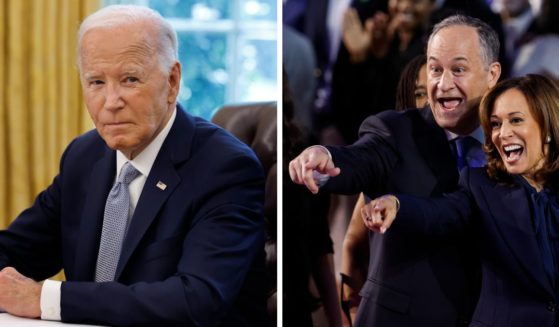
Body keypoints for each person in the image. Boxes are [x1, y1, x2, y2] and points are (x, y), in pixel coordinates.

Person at [0, 5, 267, 326]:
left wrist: (44, 298)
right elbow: (17, 250)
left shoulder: (226, 168)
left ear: (172, 81)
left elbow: (196, 298)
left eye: (130, 79)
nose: (111, 102)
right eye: (96, 82)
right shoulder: (83, 156)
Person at [289, 14, 501, 326]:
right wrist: (326, 157)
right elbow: (359, 160)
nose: (443, 85)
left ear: (492, 74)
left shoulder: (508, 142)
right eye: (435, 70)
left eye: (458, 70)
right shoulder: (394, 131)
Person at [364, 74, 559, 326]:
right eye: (496, 124)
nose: (503, 133)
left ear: (548, 128)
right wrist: (397, 206)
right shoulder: (481, 186)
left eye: (516, 120)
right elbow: (439, 213)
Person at [339, 53, 427, 324]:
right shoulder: (388, 165)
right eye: (421, 93)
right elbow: (353, 247)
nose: (431, 102)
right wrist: (353, 315)